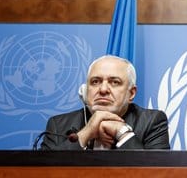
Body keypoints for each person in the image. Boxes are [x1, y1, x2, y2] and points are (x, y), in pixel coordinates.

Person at [39, 55, 170, 150]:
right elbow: (44, 173)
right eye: (95, 81)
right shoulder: (58, 125)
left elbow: (156, 172)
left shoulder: (152, 121)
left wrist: (122, 132)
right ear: (85, 90)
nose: (103, 89)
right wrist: (86, 133)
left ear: (131, 93)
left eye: (115, 82)